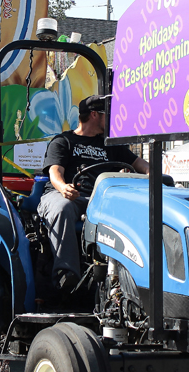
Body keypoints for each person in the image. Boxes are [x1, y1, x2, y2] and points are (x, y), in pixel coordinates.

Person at [38, 95, 150, 291]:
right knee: (62, 208)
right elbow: (55, 171)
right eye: (108, 114)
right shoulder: (64, 141)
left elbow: (142, 165)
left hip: (102, 199)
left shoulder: (112, 145)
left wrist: (154, 176)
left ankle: (136, 278)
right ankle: (66, 274)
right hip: (68, 195)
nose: (112, 119)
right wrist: (63, 187)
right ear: (94, 115)